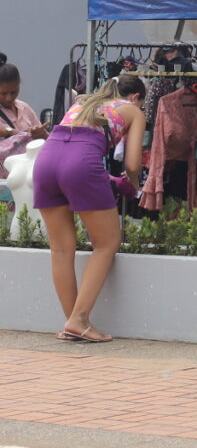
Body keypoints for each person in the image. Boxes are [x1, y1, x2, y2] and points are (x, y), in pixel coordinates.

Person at [33, 73, 146, 344]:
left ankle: (73, 322)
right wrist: (133, 186)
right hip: (82, 162)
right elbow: (132, 164)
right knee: (106, 243)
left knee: (61, 248)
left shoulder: (83, 101)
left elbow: (68, 142)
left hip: (47, 159)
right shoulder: (132, 110)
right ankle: (79, 320)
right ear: (135, 97)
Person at [0, 61, 49, 172]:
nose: (9, 98)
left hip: (27, 176)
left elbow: (45, 142)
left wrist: (43, 135)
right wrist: (11, 132)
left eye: (14, 92)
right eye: (3, 93)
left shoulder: (25, 108)